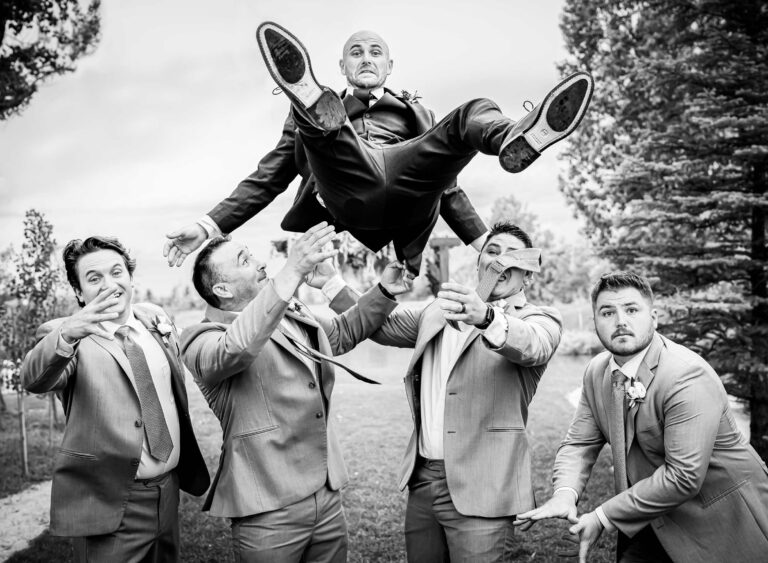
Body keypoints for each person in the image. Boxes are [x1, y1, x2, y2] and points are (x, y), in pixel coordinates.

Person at [164, 24, 593, 274]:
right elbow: (268, 178)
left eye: (375, 53)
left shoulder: (420, 114)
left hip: (411, 192)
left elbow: (449, 190)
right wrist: (208, 226)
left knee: (470, 113)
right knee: (317, 125)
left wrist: (484, 244)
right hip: (350, 191)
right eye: (355, 53)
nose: (365, 58)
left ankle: (516, 137)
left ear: (390, 66)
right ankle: (311, 100)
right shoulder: (316, 115)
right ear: (343, 67)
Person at [328, 221, 563, 562]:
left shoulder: (540, 319)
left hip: (484, 488)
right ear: (480, 262)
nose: (501, 260)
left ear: (527, 276)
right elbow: (379, 325)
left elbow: (533, 346)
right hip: (424, 481)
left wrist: (484, 317)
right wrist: (331, 283)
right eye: (493, 252)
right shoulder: (440, 310)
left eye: (513, 255)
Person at [180, 222, 412, 563]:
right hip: (267, 509)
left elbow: (344, 331)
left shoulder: (290, 313)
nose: (259, 263)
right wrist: (291, 271)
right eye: (245, 260)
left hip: (326, 496)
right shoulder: (201, 338)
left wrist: (386, 291)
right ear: (223, 289)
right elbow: (238, 348)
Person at [514, 271, 768, 563]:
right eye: (607, 312)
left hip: (718, 520)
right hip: (645, 518)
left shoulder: (686, 375)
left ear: (654, 317)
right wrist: (565, 493)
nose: (620, 321)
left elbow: (683, 477)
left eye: (632, 310)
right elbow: (579, 443)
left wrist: (602, 515)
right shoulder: (597, 372)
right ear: (594, 322)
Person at [21, 236, 210, 562]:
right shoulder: (65, 335)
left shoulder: (154, 319)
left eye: (117, 272)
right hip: (111, 502)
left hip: (168, 492)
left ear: (130, 277)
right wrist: (68, 333)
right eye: (94, 278)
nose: (110, 284)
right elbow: (34, 380)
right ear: (79, 292)